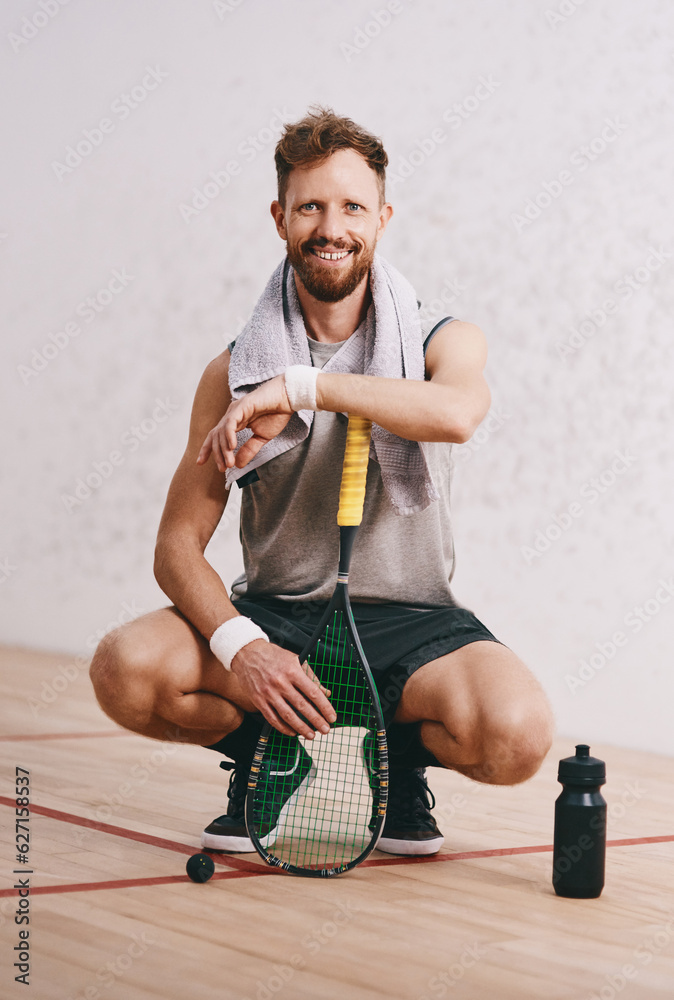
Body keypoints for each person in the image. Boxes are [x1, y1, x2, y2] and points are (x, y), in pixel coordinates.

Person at [90, 106, 554, 858]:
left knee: (517, 736)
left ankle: (396, 763)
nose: (330, 226)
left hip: (413, 624)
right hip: (279, 618)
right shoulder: (232, 372)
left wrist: (305, 388)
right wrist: (244, 646)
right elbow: (176, 546)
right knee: (125, 669)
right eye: (310, 206)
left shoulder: (444, 341)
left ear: (383, 217)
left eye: (351, 207)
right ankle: (262, 753)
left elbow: (457, 414)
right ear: (280, 218)